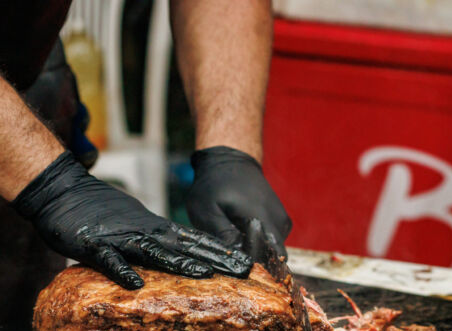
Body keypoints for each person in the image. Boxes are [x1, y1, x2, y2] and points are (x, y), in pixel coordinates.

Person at [0, 0, 291, 305]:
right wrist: (51, 186)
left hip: (30, 73)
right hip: (29, 162)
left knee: (25, 323)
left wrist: (230, 150)